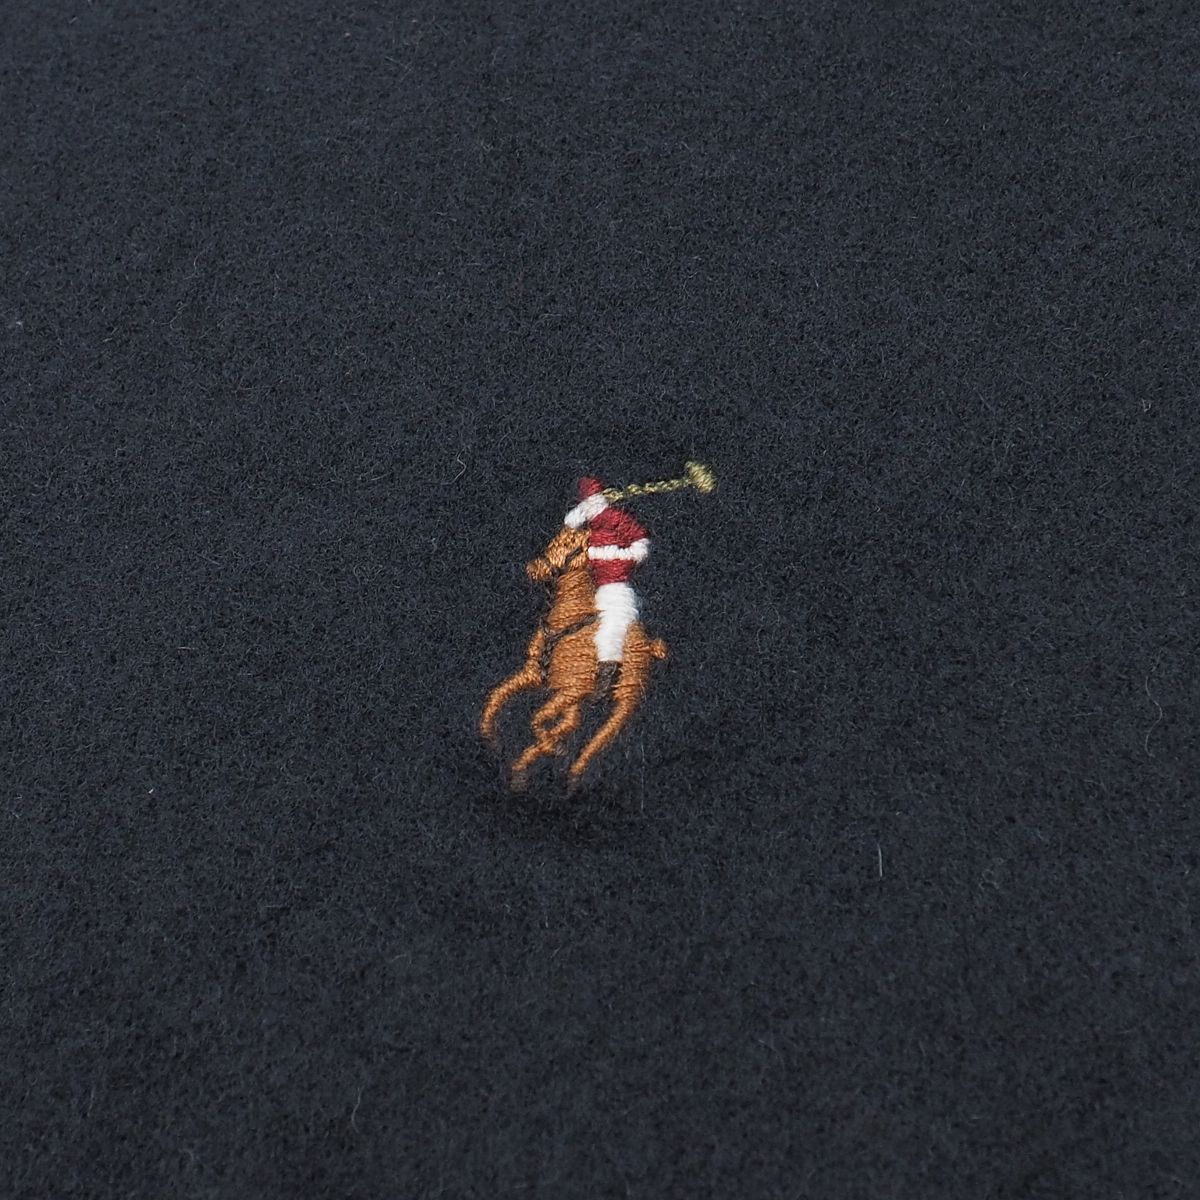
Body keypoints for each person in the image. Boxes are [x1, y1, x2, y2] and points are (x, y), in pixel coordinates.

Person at [563, 476, 650, 690]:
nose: (589, 506)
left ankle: (608, 672)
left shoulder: (615, 518)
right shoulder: (589, 525)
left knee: (612, 626)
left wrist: (619, 558)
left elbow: (640, 542)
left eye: (591, 500)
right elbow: (570, 525)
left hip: (616, 588)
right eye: (586, 502)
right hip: (594, 588)